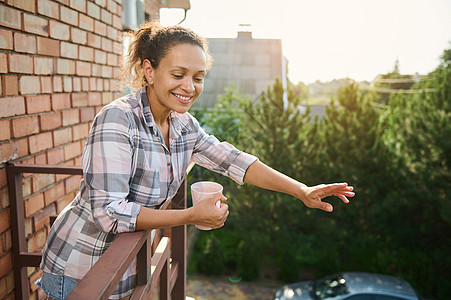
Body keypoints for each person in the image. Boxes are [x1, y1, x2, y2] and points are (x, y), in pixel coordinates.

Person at [37, 21, 355, 299]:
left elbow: (234, 161)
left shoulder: (183, 125)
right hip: (78, 271)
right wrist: (191, 215)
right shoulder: (118, 119)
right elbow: (109, 213)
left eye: (198, 77)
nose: (189, 87)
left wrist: (301, 190)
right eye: (178, 74)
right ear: (149, 71)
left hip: (123, 269)